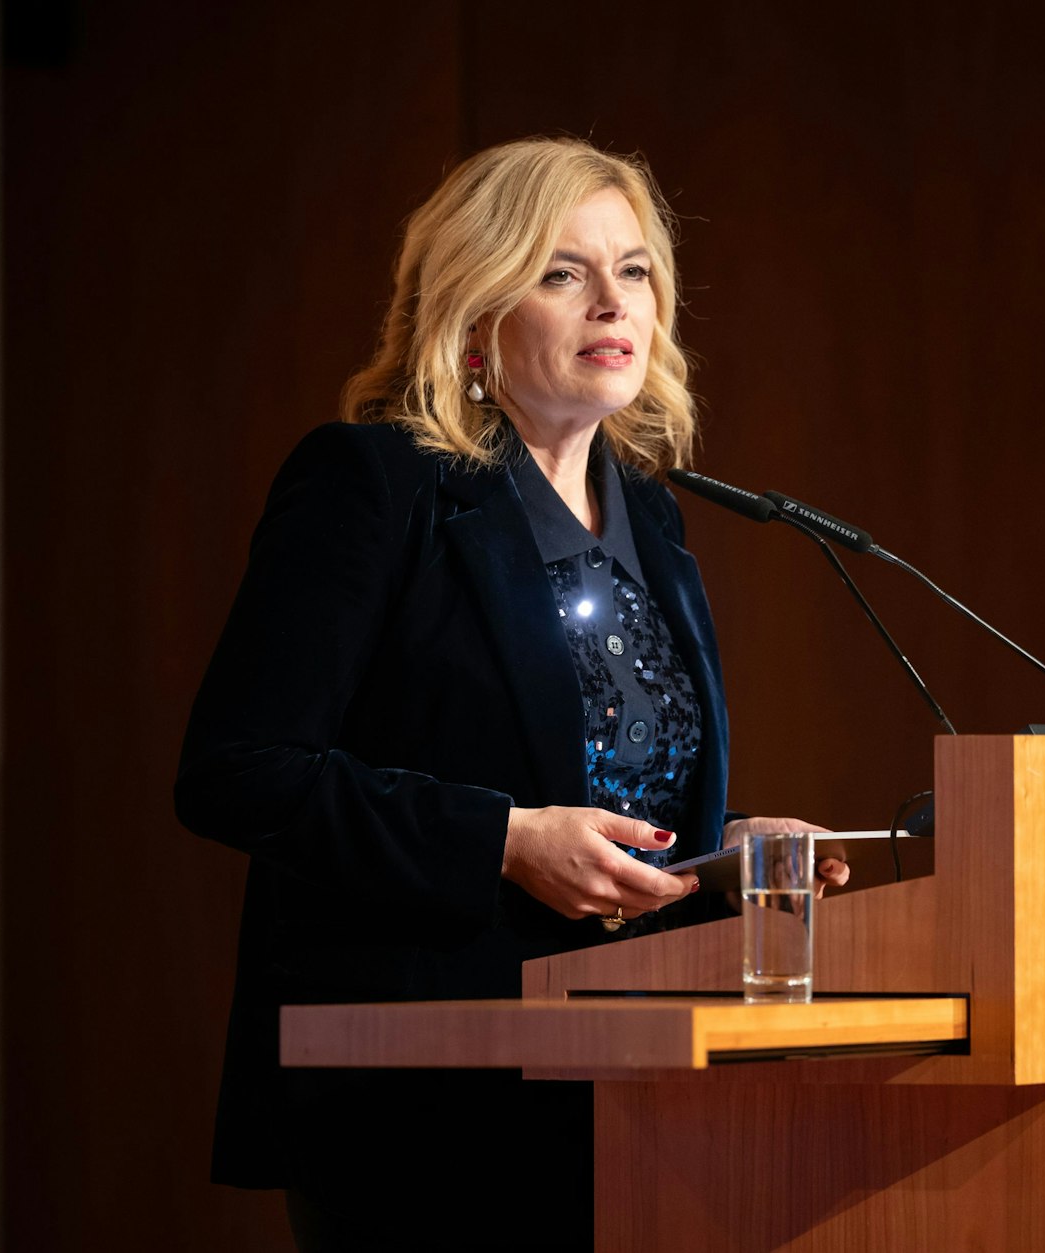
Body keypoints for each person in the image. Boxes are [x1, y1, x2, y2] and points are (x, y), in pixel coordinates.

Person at [174, 136, 846, 1252]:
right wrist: (500, 838)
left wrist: (728, 847)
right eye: (560, 271)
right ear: (475, 309)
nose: (608, 301)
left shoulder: (654, 521)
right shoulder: (375, 484)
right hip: (429, 1100)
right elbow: (236, 772)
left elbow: (607, 795)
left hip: (635, 1086)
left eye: (631, 271)